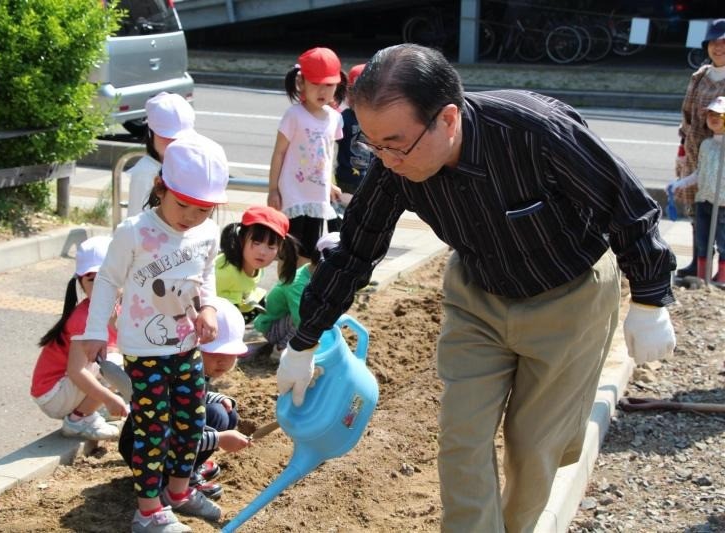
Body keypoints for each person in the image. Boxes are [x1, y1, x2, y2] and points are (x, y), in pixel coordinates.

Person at [276, 44, 677, 532]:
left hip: (569, 300)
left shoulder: (533, 132)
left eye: (396, 144)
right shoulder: (395, 167)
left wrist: (651, 297)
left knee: (534, 446)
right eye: (372, 146)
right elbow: (357, 250)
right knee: (461, 437)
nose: (386, 160)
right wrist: (306, 338)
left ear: (447, 118)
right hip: (479, 298)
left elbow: (626, 203)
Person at [75, 135, 228, 533]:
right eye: (183, 205)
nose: (191, 216)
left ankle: (178, 491)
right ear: (161, 186)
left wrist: (208, 307)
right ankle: (147, 511)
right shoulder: (135, 232)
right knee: (153, 426)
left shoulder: (206, 233)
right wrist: (94, 330)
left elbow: (205, 275)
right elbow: (107, 280)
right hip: (144, 350)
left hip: (186, 344)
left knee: (191, 419)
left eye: (203, 209)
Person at [117, 297, 254, 502]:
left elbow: (199, 398)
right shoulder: (174, 375)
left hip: (169, 440)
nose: (223, 361)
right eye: (216, 354)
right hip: (144, 446)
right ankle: (172, 480)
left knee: (225, 411)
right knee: (215, 415)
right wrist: (219, 440)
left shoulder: (193, 372)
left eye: (230, 354)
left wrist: (219, 397)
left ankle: (188, 469)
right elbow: (175, 433)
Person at [30, 235, 127, 441]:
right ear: (81, 285)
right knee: (115, 364)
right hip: (53, 395)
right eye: (92, 280)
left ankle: (89, 409)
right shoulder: (84, 319)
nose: (101, 285)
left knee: (123, 358)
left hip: (63, 389)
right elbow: (76, 371)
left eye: (107, 277)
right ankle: (78, 419)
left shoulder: (117, 309)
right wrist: (108, 398)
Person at [267, 46, 346, 265]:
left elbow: (327, 155)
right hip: (292, 195)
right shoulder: (294, 115)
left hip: (317, 195)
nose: (322, 91)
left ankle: (301, 294)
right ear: (301, 83)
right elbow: (279, 153)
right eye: (315, 84)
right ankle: (285, 292)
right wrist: (273, 189)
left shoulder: (334, 118)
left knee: (311, 250)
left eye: (329, 85)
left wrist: (330, 184)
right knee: (291, 250)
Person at [676, 18, 725, 277]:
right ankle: (699, 263)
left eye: (724, 43)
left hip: (723, 160)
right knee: (698, 211)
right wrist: (683, 152)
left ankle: (722, 271)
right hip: (696, 154)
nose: (719, 48)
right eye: (714, 42)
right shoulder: (700, 76)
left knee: (723, 214)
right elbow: (686, 115)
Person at [253, 232, 340, 361]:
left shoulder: (311, 273)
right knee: (308, 317)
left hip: (286, 320)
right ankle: (280, 350)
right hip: (271, 326)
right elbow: (301, 318)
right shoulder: (298, 284)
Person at [216, 205, 299, 323]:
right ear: (241, 239)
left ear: (280, 248)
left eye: (271, 247)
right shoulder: (226, 271)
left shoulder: (256, 267)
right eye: (256, 242)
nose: (262, 252)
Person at [673, 96, 725, 283]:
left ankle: (721, 280)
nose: (714, 118)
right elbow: (700, 173)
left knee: (724, 242)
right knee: (702, 242)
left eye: (719, 114)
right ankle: (702, 278)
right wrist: (680, 183)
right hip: (703, 200)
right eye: (711, 114)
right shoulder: (706, 144)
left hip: (723, 203)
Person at [127, 92, 196, 217]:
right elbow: (136, 220)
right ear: (150, 133)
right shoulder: (145, 172)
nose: (173, 142)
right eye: (165, 136)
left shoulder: (195, 165)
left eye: (181, 137)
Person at [335, 63, 372, 196]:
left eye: (364, 93)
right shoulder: (344, 117)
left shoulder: (377, 119)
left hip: (372, 178)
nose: (357, 97)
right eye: (353, 92)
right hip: (346, 178)